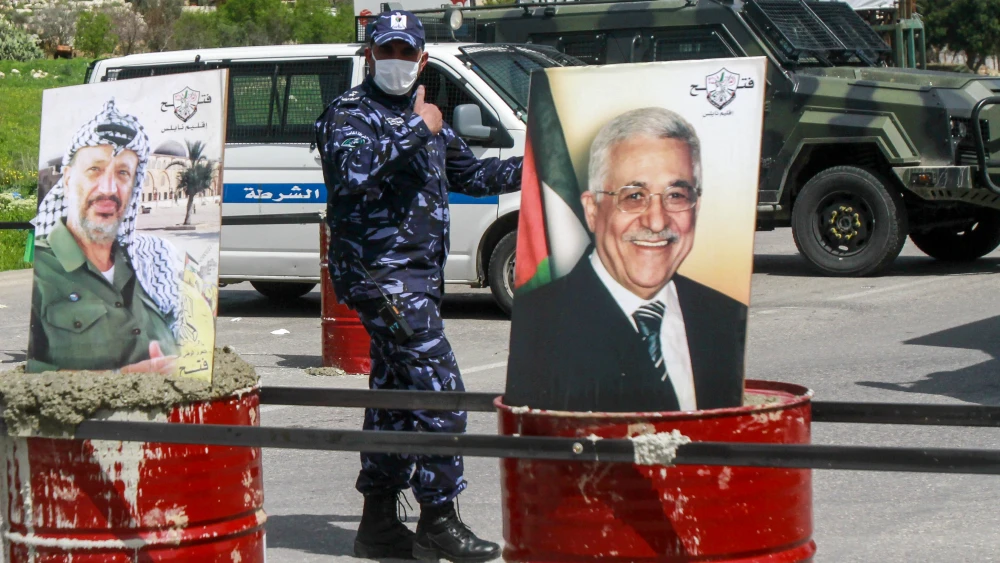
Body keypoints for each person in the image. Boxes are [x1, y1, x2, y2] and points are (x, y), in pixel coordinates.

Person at [314, 10, 522, 562]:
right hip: (379, 277)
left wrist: (545, 162)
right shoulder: (348, 115)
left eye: (408, 54)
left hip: (417, 279)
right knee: (439, 387)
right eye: (388, 52)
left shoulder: (424, 116)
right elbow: (354, 174)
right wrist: (420, 127)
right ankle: (438, 518)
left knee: (395, 397)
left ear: (423, 60)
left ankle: (378, 522)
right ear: (369, 57)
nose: (397, 63)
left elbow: (474, 176)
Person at [506, 106, 747, 413]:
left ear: (696, 208)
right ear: (592, 210)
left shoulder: (725, 315)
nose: (657, 222)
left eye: (676, 195)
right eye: (633, 196)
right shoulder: (541, 322)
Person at [28, 99, 181, 374]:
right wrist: (117, 379)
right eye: (95, 169)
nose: (108, 188)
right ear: (67, 178)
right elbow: (32, 378)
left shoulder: (153, 260)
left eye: (123, 173)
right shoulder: (43, 272)